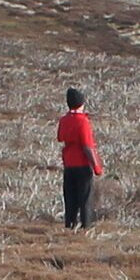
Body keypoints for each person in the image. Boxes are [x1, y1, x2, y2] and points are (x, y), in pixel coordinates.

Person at [56, 86, 104, 228]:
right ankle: (85, 227)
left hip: (68, 165)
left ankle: (69, 225)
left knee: (70, 198)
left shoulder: (64, 120)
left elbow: (60, 137)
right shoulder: (83, 121)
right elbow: (87, 147)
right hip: (82, 165)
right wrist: (97, 167)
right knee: (85, 199)